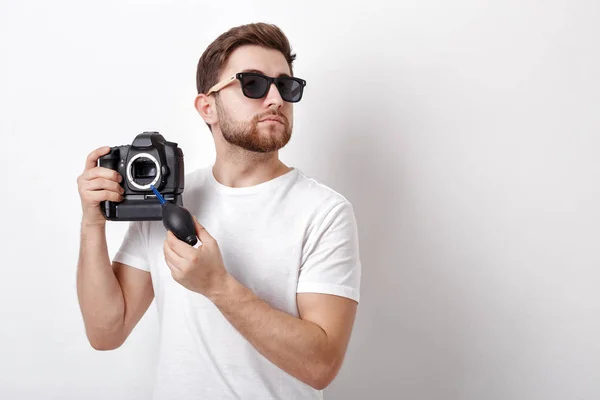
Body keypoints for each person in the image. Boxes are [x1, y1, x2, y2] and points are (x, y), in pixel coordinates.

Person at [76, 22, 361, 399]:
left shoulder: (324, 212)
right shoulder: (168, 200)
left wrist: (218, 286)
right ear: (207, 106)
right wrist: (92, 223)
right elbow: (106, 332)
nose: (275, 99)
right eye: (253, 84)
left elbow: (321, 365)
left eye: (286, 86)